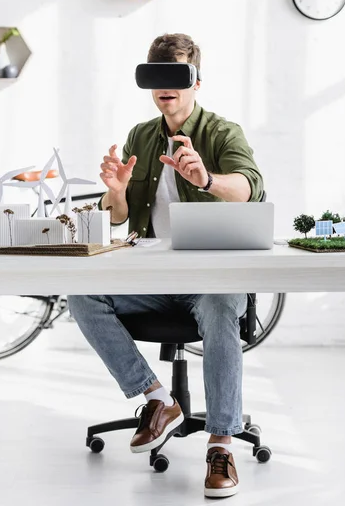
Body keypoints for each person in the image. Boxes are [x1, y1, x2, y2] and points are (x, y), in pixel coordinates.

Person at [68, 33, 264, 499]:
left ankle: (220, 445)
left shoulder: (222, 132)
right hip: (152, 277)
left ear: (196, 81)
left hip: (211, 279)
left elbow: (250, 188)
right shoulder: (140, 135)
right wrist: (115, 193)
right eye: (156, 76)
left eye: (176, 75)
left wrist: (208, 178)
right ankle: (158, 399)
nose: (166, 87)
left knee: (219, 308)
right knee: (80, 292)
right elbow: (120, 218)